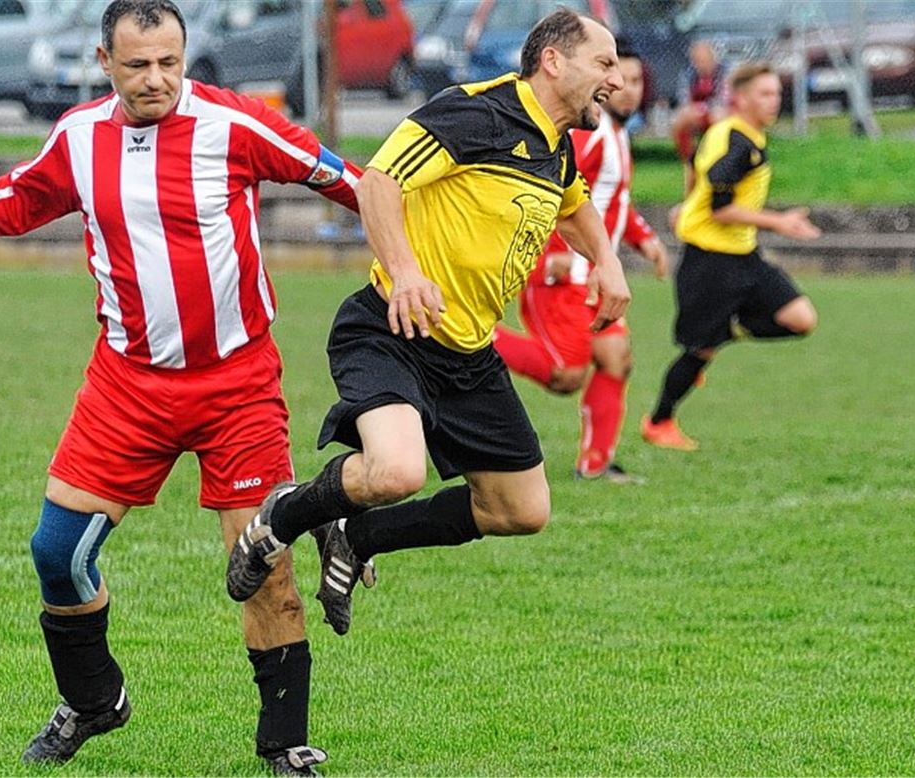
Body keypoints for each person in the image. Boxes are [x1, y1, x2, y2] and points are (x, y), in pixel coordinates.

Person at [0, 1, 364, 773]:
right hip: (128, 383)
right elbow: (21, 195)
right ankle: (95, 701)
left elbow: (349, 181)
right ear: (105, 62)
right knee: (58, 552)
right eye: (138, 65)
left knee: (262, 566)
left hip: (237, 380)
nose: (157, 79)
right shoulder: (81, 138)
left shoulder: (234, 125)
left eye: (169, 62)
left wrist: (411, 253)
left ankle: (285, 744)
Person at [226, 9, 631, 638]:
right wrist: (407, 270)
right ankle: (282, 517)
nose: (617, 80)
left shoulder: (556, 146)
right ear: (554, 61)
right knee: (396, 472)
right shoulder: (473, 111)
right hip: (393, 330)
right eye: (604, 64)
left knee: (521, 509)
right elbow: (379, 182)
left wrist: (606, 262)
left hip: (469, 356)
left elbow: (574, 205)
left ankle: (362, 536)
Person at [492, 37, 668, 482]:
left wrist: (642, 237)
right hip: (563, 274)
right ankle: (470, 336)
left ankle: (595, 464)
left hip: (594, 274)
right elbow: (552, 190)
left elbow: (605, 202)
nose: (629, 88)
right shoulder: (589, 136)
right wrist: (551, 251)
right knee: (565, 375)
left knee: (615, 358)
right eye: (620, 79)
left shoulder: (617, 134)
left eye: (636, 80)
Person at [641, 61, 821, 452]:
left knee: (800, 319)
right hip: (711, 260)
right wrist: (779, 222)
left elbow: (697, 171)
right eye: (764, 94)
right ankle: (659, 421)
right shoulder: (740, 144)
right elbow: (721, 207)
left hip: (744, 254)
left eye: (776, 93)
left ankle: (729, 330)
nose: (774, 101)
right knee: (697, 351)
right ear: (740, 98)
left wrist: (686, 202)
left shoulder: (732, 133)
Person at [670, 40, 729, 193]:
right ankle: (689, 159)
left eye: (703, 59)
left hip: (716, 111)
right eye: (696, 60)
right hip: (696, 113)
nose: (700, 64)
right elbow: (683, 99)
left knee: (717, 117)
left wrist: (704, 108)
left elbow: (724, 100)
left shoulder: (723, 73)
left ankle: (716, 156)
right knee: (680, 120)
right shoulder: (689, 74)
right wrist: (692, 109)